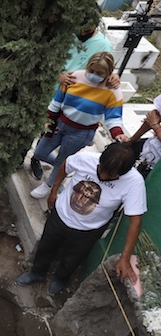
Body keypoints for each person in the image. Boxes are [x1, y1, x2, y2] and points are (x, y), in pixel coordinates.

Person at [17, 143, 146, 295]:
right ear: (100, 160)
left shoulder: (134, 183)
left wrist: (125, 258)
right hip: (60, 215)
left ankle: (60, 279)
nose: (102, 177)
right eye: (101, 170)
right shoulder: (86, 158)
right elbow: (65, 166)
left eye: (110, 176)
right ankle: (37, 273)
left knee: (72, 258)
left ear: (123, 173)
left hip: (88, 230)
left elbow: (135, 222)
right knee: (46, 246)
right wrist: (53, 191)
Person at [30, 51, 129, 199]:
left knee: (63, 159)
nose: (94, 74)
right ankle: (64, 169)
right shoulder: (75, 77)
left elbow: (113, 117)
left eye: (100, 73)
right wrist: (48, 119)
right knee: (40, 153)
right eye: (91, 70)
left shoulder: (112, 90)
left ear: (109, 73)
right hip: (59, 124)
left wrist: (118, 133)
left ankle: (49, 185)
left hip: (81, 133)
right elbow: (57, 100)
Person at [30, 19, 119, 179]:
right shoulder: (64, 35)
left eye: (87, 27)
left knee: (48, 136)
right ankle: (31, 155)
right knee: (35, 127)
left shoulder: (103, 45)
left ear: (96, 22)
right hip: (49, 91)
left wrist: (114, 78)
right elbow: (44, 59)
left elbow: (105, 68)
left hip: (72, 102)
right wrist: (57, 75)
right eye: (80, 26)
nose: (82, 31)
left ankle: (39, 162)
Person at [129, 94, 161, 178]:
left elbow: (153, 122)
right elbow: (153, 117)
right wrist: (131, 141)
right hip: (149, 149)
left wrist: (156, 127)